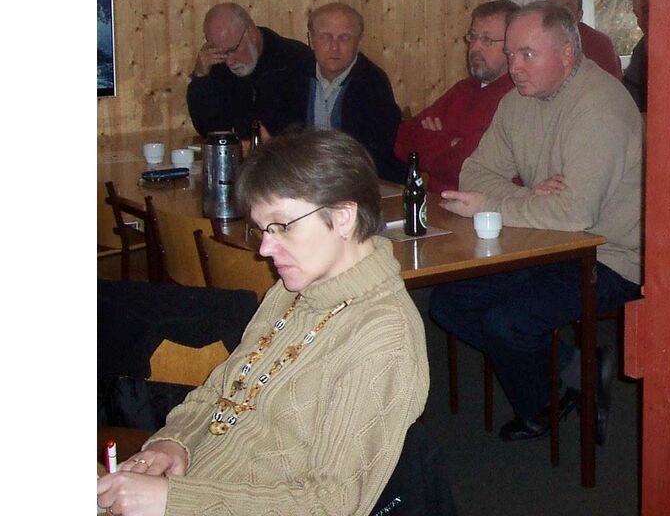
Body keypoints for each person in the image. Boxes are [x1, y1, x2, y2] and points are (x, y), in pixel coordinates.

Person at [97, 129, 430, 516]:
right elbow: (223, 390)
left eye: (283, 226)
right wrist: (174, 442)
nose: (265, 249)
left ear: (343, 217)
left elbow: (330, 505)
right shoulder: (293, 290)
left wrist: (172, 501)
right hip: (197, 487)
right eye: (262, 229)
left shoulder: (384, 337)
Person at [428, 2, 643, 443]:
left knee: (506, 323)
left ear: (566, 54)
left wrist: (493, 205)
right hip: (544, 241)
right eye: (511, 54)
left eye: (528, 54)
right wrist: (528, 197)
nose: (514, 68)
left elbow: (576, 214)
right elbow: (474, 173)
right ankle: (576, 369)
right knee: (449, 303)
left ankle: (541, 408)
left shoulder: (599, 107)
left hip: (609, 256)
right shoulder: (517, 102)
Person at [395, 0, 519, 194]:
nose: (475, 47)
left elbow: (467, 169)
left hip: (484, 206)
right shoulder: (464, 89)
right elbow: (403, 141)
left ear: (512, 46)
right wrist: (451, 143)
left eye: (487, 40)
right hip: (436, 201)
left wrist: (436, 138)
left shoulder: (517, 97)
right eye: (473, 36)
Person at [305, 2, 406, 182]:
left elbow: (374, 154)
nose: (334, 47)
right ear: (311, 40)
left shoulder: (372, 83)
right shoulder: (292, 79)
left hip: (358, 181)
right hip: (303, 178)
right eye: (325, 37)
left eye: (344, 38)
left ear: (359, 42)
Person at [186, 3, 312, 139]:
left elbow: (307, 130)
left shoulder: (295, 60)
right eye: (221, 53)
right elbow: (206, 128)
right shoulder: (216, 65)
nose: (229, 61)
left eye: (232, 50)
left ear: (251, 32)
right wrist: (201, 79)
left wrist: (265, 145)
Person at [546, 0, 624, 78]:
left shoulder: (599, 44)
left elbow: (611, 83)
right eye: (552, 7)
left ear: (579, 15)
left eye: (566, 9)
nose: (558, 14)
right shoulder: (535, 39)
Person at [621, 0, 651, 112]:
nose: (641, 21)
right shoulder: (640, 50)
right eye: (637, 15)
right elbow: (629, 97)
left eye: (646, 10)